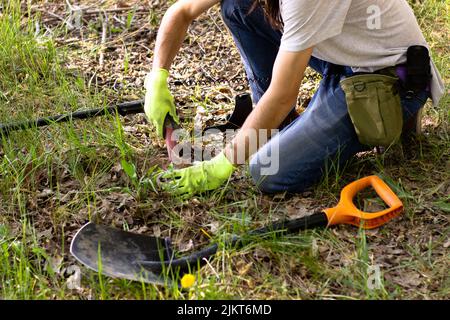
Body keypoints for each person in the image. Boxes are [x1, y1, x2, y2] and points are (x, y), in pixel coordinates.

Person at [144, 0, 444, 197]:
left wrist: (222, 163)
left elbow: (282, 96)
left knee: (266, 171)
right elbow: (182, 11)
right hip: (342, 52)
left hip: (385, 76)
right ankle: (276, 130)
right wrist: (157, 78)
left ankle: (395, 114)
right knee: (238, 6)